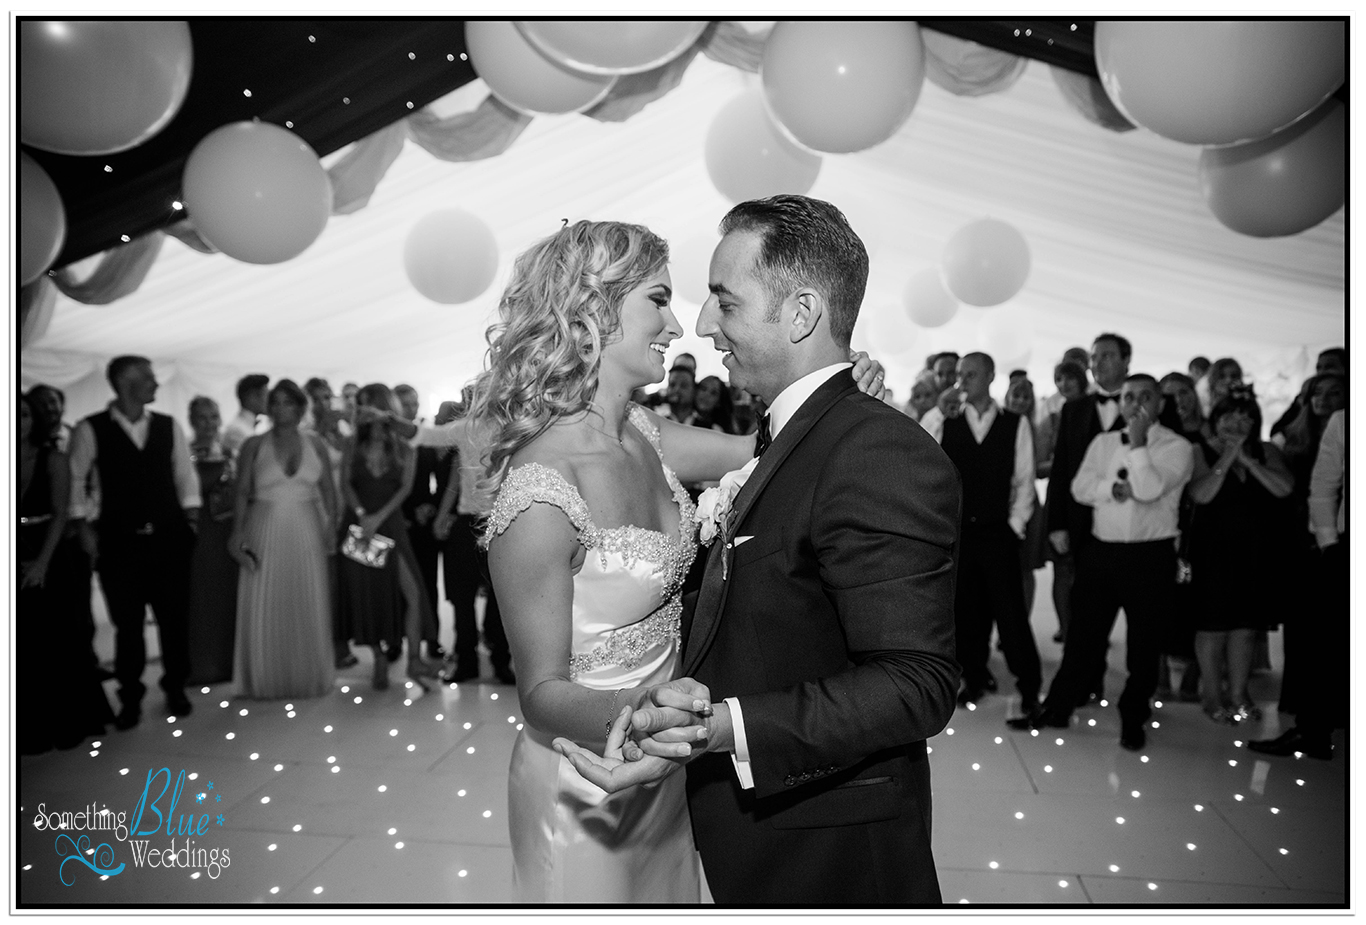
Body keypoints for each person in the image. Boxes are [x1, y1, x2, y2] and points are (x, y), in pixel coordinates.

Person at [467, 214, 890, 903]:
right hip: (588, 780)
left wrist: (840, 393)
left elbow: (774, 453)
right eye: (658, 300)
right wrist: (643, 710)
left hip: (667, 767)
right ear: (594, 309)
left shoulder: (646, 432)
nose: (678, 324)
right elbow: (540, 695)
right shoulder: (541, 491)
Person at [553, 197, 958, 905]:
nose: (702, 324)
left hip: (830, 858)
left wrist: (722, 728)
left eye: (725, 300)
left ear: (801, 314)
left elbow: (916, 680)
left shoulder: (875, 450)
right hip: (756, 834)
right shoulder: (787, 437)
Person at [1009, 374, 1194, 751]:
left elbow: (1149, 489)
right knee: (1082, 637)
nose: (1136, 404)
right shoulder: (1103, 442)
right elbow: (1079, 487)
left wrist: (1139, 445)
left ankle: (1133, 717)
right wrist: (1112, 489)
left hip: (1151, 554)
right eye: (1129, 397)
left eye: (1145, 396)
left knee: (1144, 644)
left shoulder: (1177, 446)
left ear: (1160, 403)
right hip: (1101, 551)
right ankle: (1058, 707)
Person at [68, 356, 199, 729]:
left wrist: (190, 523)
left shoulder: (167, 426)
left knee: (174, 619)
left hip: (168, 540)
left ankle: (176, 686)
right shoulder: (90, 429)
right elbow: (76, 480)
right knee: (127, 625)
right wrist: (84, 529)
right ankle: (130, 695)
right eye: (149, 378)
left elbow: (185, 477)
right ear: (126, 383)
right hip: (119, 543)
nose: (156, 384)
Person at [919, 353, 1039, 710]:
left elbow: (1025, 480)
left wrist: (1015, 525)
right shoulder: (946, 418)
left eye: (970, 374)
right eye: (959, 375)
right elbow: (919, 448)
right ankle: (973, 677)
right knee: (966, 612)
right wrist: (939, 410)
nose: (962, 381)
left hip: (998, 532)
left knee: (1011, 613)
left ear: (990, 376)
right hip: (958, 534)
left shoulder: (1014, 423)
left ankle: (1029, 686)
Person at [1184, 386, 1294, 724]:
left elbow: (1284, 488)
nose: (1237, 424)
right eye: (1229, 417)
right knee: (1213, 627)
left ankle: (1238, 693)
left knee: (1246, 627)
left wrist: (1247, 460)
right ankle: (1212, 694)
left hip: (1256, 552)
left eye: (1246, 418)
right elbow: (1201, 494)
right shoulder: (1198, 450)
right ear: (1215, 420)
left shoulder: (1266, 451)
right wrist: (1227, 459)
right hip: (1211, 553)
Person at [227, 381, 336, 699]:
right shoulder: (253, 445)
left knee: (307, 598)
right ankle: (264, 677)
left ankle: (308, 675)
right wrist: (237, 533)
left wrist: (331, 526)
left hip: (307, 529)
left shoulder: (315, 443)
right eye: (274, 402)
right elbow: (241, 491)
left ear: (300, 408)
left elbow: (329, 489)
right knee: (265, 599)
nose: (279, 408)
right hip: (264, 527)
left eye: (287, 402)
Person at [18, 393, 114, 753]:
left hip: (51, 549)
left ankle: (71, 721)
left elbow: (60, 512)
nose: (19, 421)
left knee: (61, 636)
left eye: (24, 414)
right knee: (24, 643)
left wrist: (42, 562)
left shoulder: (53, 459)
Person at [1249, 407, 1344, 760]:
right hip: (1344, 545)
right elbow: (1324, 484)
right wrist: (1329, 542)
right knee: (1325, 641)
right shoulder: (1344, 420)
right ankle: (1313, 731)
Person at [338, 384, 443, 691]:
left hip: (390, 525)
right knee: (365, 594)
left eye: (367, 403)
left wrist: (377, 518)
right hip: (358, 524)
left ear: (383, 405)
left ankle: (414, 659)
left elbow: (405, 489)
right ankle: (379, 657)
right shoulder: (353, 443)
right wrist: (362, 514)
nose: (362, 409)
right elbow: (345, 483)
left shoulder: (404, 445)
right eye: (360, 404)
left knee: (412, 593)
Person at [1044, 335, 1129, 690]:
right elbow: (1061, 469)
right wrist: (1057, 524)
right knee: (1085, 606)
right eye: (1094, 357)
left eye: (1107, 356)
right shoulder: (1074, 409)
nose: (1097, 363)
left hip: (1133, 526)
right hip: (1082, 522)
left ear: (1126, 360)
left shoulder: (1148, 403)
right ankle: (1086, 680)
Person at [185, 396, 240, 685]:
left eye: (214, 417)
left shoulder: (230, 453)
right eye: (202, 418)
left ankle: (231, 662)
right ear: (192, 421)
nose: (209, 423)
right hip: (201, 531)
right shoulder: (184, 453)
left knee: (229, 595)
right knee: (202, 597)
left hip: (228, 530)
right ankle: (205, 665)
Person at [394, 384, 447, 662]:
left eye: (414, 403)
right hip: (395, 517)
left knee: (428, 583)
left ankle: (432, 639)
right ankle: (394, 640)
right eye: (405, 404)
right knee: (394, 584)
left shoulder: (425, 439)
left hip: (423, 519)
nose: (411, 409)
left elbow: (443, 478)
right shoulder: (388, 441)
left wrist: (432, 506)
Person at [222, 373, 269, 453]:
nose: (270, 401)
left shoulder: (243, 427)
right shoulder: (237, 431)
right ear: (252, 397)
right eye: (266, 395)